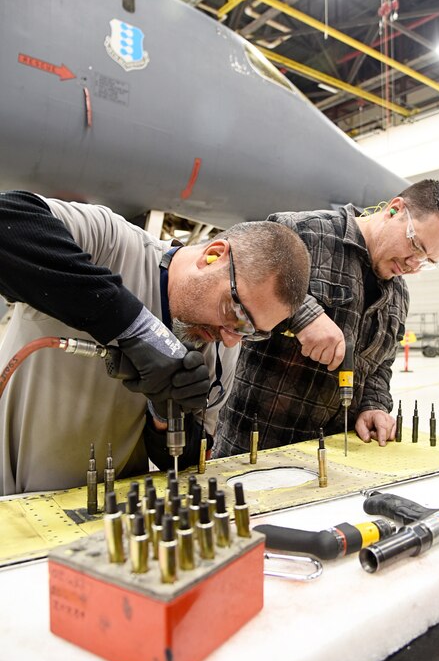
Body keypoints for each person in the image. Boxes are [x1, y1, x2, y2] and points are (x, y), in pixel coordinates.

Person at [0, 190, 311, 495]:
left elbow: (184, 461)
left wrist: (164, 416)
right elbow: (8, 221)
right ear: (213, 255)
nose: (231, 340)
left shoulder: (217, 351)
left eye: (250, 331)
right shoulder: (111, 243)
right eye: (238, 314)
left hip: (102, 513)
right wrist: (137, 329)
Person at [213, 179, 439, 456]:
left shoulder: (399, 295)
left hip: (334, 455)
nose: (412, 265)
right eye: (416, 246)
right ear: (395, 209)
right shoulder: (303, 232)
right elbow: (231, 279)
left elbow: (380, 364)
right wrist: (303, 314)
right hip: (252, 447)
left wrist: (374, 405)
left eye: (426, 262)